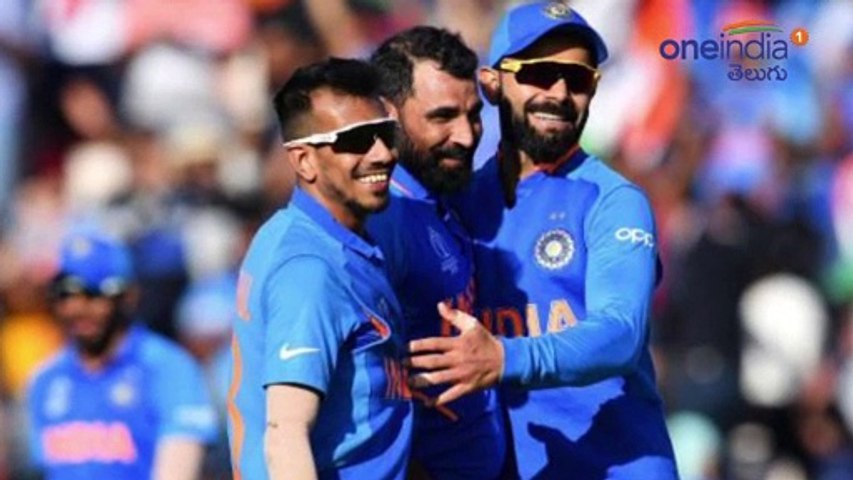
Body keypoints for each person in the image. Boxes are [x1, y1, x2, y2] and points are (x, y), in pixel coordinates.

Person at [407, 2, 679, 479]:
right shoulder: (457, 205)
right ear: (492, 84)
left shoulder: (612, 200)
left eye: (578, 79)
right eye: (539, 74)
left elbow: (621, 332)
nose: (559, 93)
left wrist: (505, 358)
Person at [227, 58, 412, 480]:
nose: (383, 153)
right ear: (304, 160)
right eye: (356, 140)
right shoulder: (309, 268)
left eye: (385, 133)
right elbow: (285, 435)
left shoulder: (309, 236)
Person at [367, 26, 505, 479]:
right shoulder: (384, 217)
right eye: (442, 116)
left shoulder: (438, 199)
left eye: (473, 115)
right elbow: (359, 381)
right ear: (386, 114)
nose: (466, 136)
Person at [25, 230, 218, 480]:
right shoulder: (46, 380)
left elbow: (178, 468)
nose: (77, 307)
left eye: (94, 294)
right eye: (66, 293)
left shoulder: (168, 368)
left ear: (128, 296)